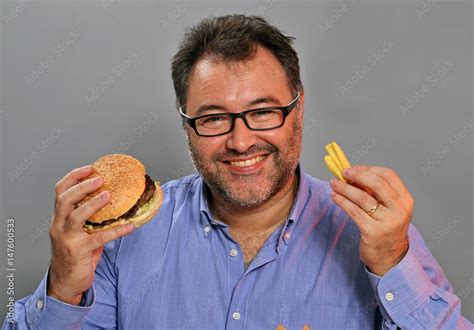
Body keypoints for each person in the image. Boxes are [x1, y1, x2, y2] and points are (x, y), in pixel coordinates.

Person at [3, 14, 472, 329]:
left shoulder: (377, 234)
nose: (241, 141)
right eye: (212, 118)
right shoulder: (120, 235)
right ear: (186, 123)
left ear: (299, 108)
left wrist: (393, 263)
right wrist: (64, 284)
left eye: (263, 111)